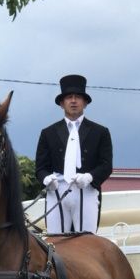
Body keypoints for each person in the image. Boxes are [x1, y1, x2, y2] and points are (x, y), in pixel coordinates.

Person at [35, 74, 113, 233]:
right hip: (56, 190)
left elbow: (106, 165)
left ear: (85, 102)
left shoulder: (100, 132)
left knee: (87, 240)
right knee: (56, 241)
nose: (73, 101)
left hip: (86, 189)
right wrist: (46, 179)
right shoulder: (48, 133)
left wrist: (89, 177)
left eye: (77, 97)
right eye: (69, 97)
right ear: (62, 103)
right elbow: (40, 167)